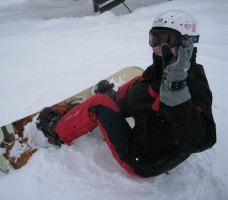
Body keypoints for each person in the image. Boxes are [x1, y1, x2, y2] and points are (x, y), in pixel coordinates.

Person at [36, 10, 216, 177]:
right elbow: (143, 93)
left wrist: (177, 94)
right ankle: (113, 100)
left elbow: (200, 140)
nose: (157, 47)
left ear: (187, 44)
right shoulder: (168, 70)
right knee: (140, 81)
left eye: (166, 40)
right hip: (158, 148)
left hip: (142, 161)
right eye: (154, 38)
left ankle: (57, 132)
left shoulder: (193, 84)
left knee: (98, 104)